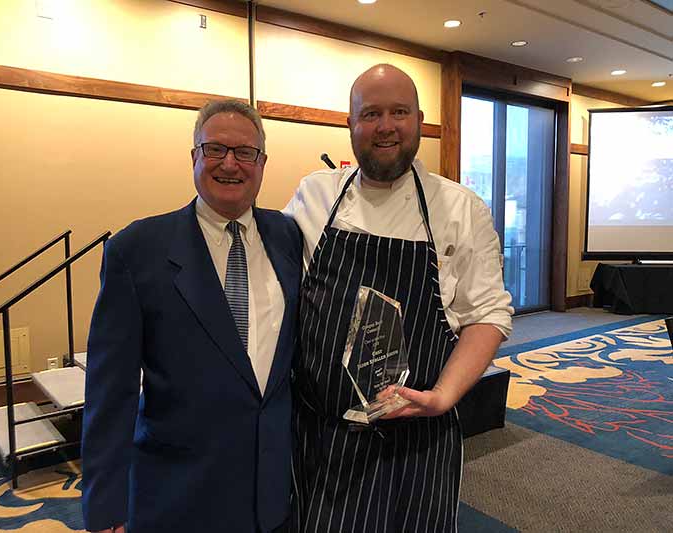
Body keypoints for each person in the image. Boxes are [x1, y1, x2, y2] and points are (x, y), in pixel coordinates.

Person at [284, 64, 514, 532]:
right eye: (370, 113)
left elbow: (488, 314)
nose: (385, 125)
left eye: (399, 112)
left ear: (420, 120)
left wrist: (443, 396)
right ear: (350, 124)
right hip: (322, 433)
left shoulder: (460, 208)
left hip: (420, 436)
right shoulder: (315, 195)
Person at [82, 99, 301, 533]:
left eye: (246, 153)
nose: (231, 164)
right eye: (215, 149)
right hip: (178, 492)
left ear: (262, 163)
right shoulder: (137, 249)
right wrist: (105, 504)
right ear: (194, 156)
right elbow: (112, 389)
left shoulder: (288, 236)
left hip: (273, 492)